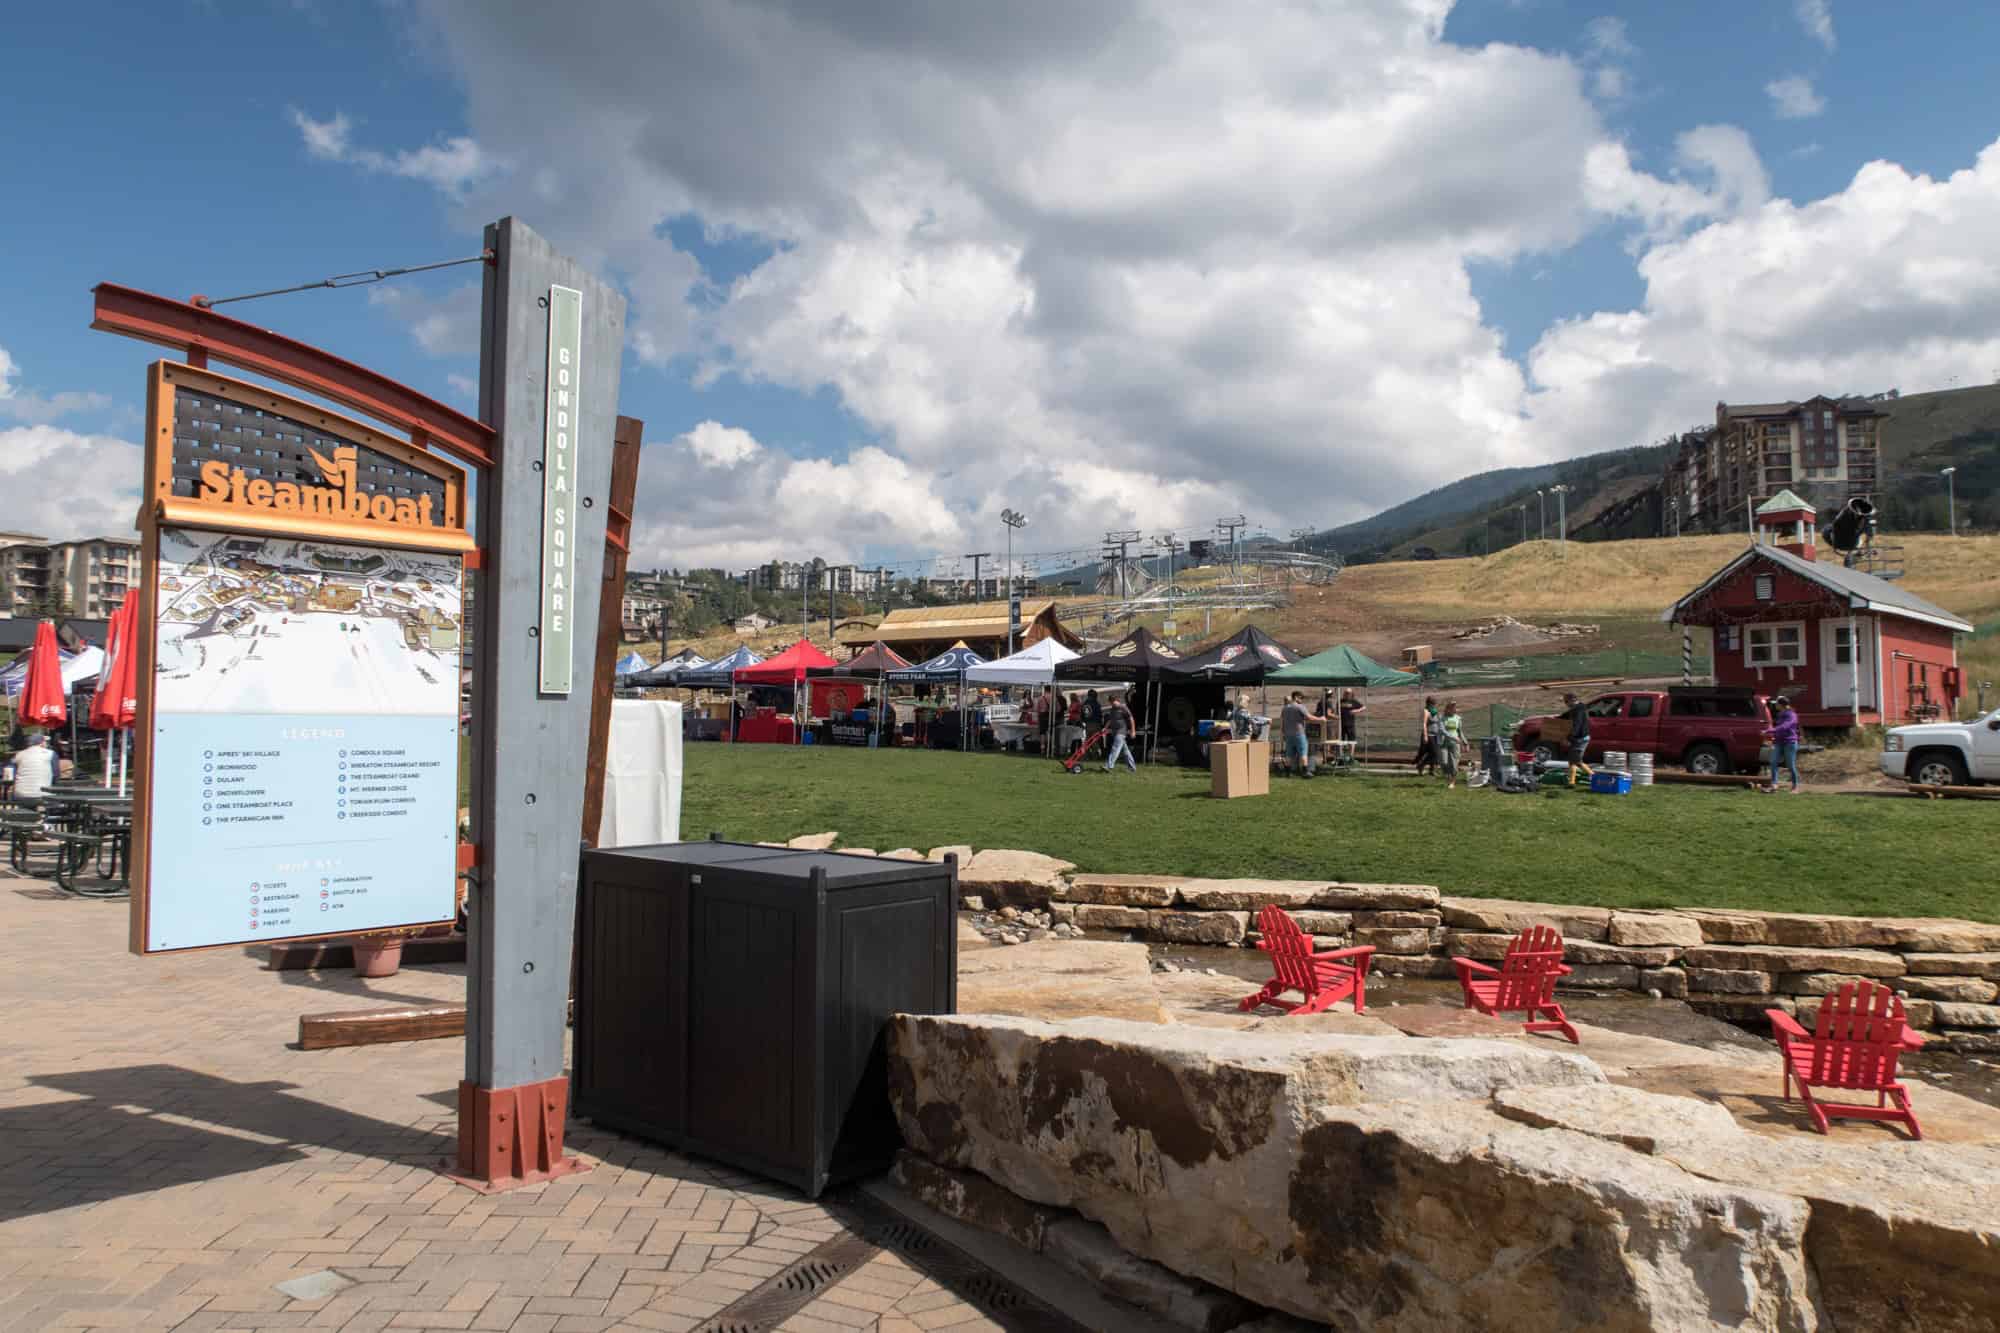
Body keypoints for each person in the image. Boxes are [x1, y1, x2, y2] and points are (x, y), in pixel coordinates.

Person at [1279, 691, 1325, 778]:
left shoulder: (1284, 708)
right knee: (1303, 752)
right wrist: (1321, 719)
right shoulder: (1300, 707)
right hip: (1299, 734)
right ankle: (1305, 772)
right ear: (1296, 697)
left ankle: (1288, 772)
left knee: (1289, 754)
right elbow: (1309, 717)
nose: (1302, 700)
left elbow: (1282, 721)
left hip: (1288, 734)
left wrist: (1282, 733)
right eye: (1301, 698)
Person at [1765, 695, 1801, 793]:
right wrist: (1771, 733)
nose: (1775, 705)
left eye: (1776, 703)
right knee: (1773, 762)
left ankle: (1795, 787)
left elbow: (1786, 726)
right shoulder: (1780, 714)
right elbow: (1780, 728)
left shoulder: (1792, 715)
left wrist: (1772, 730)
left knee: (1790, 765)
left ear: (1781, 705)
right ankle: (1774, 785)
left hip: (1790, 742)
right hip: (1779, 742)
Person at [12, 730, 53, 806]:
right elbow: (56, 774)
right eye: (45, 741)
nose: (47, 743)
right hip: (42, 795)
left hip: (21, 794)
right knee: (58, 803)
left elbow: (13, 773)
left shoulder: (19, 754)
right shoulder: (50, 753)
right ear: (41, 743)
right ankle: (52, 817)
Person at [1563, 691, 1594, 786]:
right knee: (1574, 760)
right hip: (1581, 737)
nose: (1566, 704)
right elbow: (1566, 715)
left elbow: (1577, 725)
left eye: (1566, 702)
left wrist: (1569, 738)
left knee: (1575, 761)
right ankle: (1572, 781)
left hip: (1580, 738)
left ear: (1572, 700)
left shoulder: (1578, 710)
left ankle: (1592, 776)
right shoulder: (1579, 707)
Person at [1102, 692, 1138, 773]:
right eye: (1111, 702)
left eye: (1112, 702)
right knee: (1125, 751)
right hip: (1115, 732)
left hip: (1121, 732)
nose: (1112, 704)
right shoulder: (1112, 709)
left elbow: (1131, 719)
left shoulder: (1123, 708)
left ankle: (1108, 765)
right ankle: (1132, 768)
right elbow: (1110, 720)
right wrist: (1105, 728)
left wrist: (1133, 731)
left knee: (1115, 748)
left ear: (1116, 700)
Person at [1439, 700, 1465, 789]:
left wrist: (1465, 742)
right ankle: (1448, 778)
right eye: (1451, 707)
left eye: (1454, 707)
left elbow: (1460, 732)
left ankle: (1452, 782)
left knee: (1454, 764)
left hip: (1455, 744)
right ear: (1447, 708)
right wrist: (1453, 737)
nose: (1454, 708)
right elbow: (1442, 730)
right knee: (1444, 762)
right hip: (1443, 743)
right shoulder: (1442, 718)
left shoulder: (1458, 718)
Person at [1414, 695, 1441, 775]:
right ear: (1428, 703)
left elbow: (1438, 722)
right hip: (1429, 735)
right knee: (1433, 752)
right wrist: (1425, 736)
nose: (1434, 705)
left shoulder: (1435, 711)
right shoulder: (1426, 711)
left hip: (1436, 734)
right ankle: (1421, 765)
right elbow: (1424, 724)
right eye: (1432, 704)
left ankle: (1431, 770)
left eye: (1434, 704)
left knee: (1434, 753)